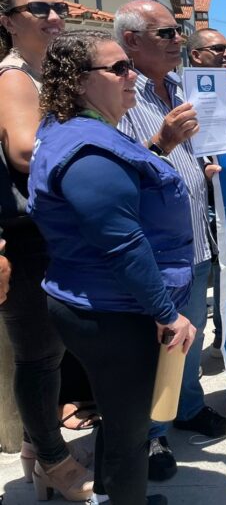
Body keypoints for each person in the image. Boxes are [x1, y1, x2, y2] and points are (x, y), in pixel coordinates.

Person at [27, 29, 195, 504]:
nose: (132, 76)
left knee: (122, 420)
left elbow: (125, 189)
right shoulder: (88, 149)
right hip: (115, 311)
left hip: (102, 302)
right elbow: (121, 245)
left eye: (130, 66)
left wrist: (159, 147)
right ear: (79, 81)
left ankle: (113, 495)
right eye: (119, 68)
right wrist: (166, 313)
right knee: (128, 429)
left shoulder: (77, 130)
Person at [114, 0, 225, 481]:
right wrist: (161, 141)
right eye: (166, 33)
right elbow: (111, 168)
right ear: (132, 41)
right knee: (155, 346)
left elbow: (202, 147)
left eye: (178, 31)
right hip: (153, 250)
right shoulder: (118, 93)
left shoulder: (184, 87)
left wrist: (207, 164)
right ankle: (151, 435)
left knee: (189, 336)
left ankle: (188, 406)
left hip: (193, 243)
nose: (178, 39)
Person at [0, 0, 94, 495]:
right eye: (38, 8)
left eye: (56, 6)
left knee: (50, 354)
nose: (53, 16)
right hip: (28, 236)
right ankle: (55, 466)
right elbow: (23, 153)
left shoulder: (44, 76)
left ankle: (39, 453)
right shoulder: (14, 79)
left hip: (50, 232)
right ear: (9, 21)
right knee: (38, 358)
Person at [186, 28, 226, 357]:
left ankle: (225, 334)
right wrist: (200, 171)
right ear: (196, 56)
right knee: (208, 277)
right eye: (217, 48)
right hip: (202, 204)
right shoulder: (183, 93)